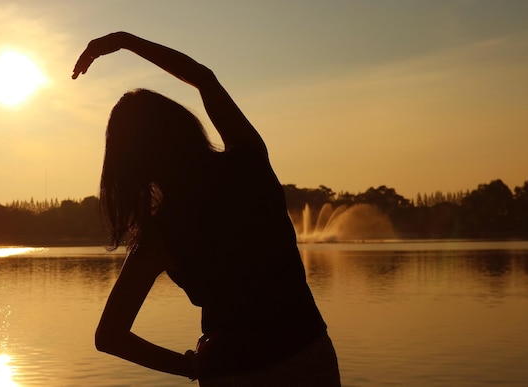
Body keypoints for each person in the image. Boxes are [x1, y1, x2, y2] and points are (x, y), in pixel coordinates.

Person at [72, 31, 341, 386]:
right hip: (309, 354)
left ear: (132, 165)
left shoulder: (159, 235)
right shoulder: (249, 162)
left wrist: (190, 366)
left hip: (235, 372)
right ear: (183, 125)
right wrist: (125, 41)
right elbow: (203, 78)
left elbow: (108, 336)